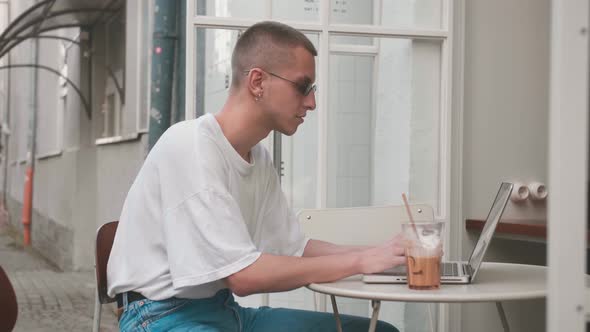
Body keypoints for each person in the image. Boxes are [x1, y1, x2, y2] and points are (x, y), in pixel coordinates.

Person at [107, 21, 405, 332]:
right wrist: (359, 263)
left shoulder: (257, 157)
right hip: (159, 317)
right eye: (303, 87)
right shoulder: (191, 146)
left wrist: (382, 255)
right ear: (257, 81)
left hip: (225, 313)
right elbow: (243, 277)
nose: (312, 103)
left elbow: (294, 248)